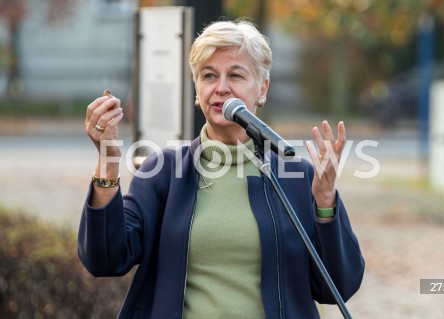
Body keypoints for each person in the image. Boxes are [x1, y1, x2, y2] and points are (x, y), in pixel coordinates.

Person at [78, 19, 364, 319]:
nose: (221, 88)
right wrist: (108, 162)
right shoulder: (163, 172)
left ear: (262, 87)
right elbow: (105, 259)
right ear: (197, 89)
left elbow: (338, 286)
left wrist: (325, 203)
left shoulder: (298, 177)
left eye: (236, 75)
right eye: (209, 75)